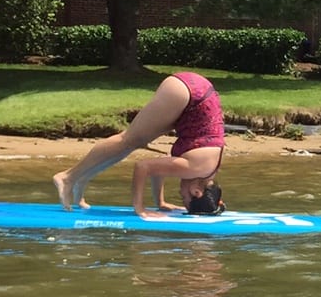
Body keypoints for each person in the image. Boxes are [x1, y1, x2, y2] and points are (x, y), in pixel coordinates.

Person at [51, 72, 226, 218]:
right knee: (128, 140)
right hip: (187, 94)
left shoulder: (204, 170)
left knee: (134, 142)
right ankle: (68, 178)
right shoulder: (196, 169)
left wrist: (160, 202)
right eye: (184, 197)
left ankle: (81, 178)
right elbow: (143, 167)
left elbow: (161, 167)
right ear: (197, 192)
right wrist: (140, 208)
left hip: (194, 92)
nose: (181, 193)